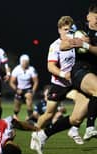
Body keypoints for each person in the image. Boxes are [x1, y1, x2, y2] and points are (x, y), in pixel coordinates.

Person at [31, 4, 97, 154]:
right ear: (88, 16)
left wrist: (86, 44)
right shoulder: (79, 28)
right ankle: (90, 127)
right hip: (67, 80)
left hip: (76, 83)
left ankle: (43, 135)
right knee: (49, 113)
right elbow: (61, 48)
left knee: (75, 119)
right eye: (96, 16)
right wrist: (78, 41)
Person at [34, 16, 85, 145]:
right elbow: (50, 66)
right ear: (59, 30)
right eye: (65, 29)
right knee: (48, 114)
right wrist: (63, 74)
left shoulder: (75, 43)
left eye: (70, 29)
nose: (68, 32)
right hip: (59, 84)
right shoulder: (55, 46)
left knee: (85, 104)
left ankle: (74, 129)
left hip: (74, 84)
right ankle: (36, 134)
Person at [9, 54, 38, 121]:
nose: (25, 63)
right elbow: (11, 82)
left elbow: (36, 81)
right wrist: (16, 89)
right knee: (17, 106)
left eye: (26, 61)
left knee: (29, 99)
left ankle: (30, 117)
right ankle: (15, 116)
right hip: (19, 88)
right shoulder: (16, 69)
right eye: (24, 61)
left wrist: (33, 91)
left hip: (28, 89)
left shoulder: (31, 69)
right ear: (21, 62)